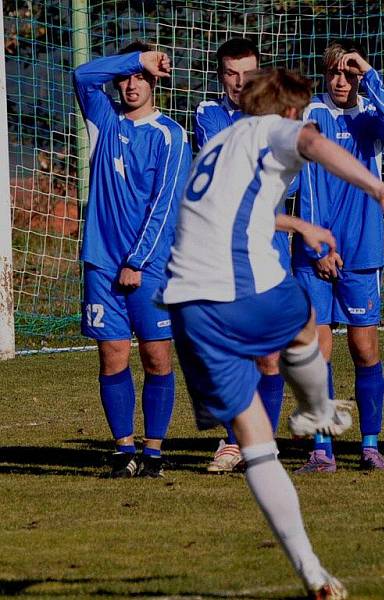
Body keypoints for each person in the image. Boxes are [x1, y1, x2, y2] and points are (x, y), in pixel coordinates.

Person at [160, 67, 384, 599]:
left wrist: (297, 225)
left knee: (257, 447)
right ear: (292, 110)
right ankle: (319, 409)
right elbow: (313, 142)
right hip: (238, 287)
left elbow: (231, 212)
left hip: (187, 306)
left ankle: (312, 572)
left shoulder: (218, 144)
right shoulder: (274, 128)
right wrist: (379, 186)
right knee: (302, 320)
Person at [73, 41, 191, 478]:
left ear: (155, 83)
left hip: (152, 268)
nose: (131, 85)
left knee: (157, 358)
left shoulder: (171, 135)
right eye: (125, 77)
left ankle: (154, 452)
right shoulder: (103, 121)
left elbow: (165, 207)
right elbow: (83, 76)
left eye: (140, 77)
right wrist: (136, 59)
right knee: (113, 356)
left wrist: (138, 261)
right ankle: (124, 452)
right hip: (102, 264)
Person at [291, 39, 384, 473]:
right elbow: (309, 185)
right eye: (335, 72)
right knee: (316, 351)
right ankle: (323, 448)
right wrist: (318, 248)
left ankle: (371, 446)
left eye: (349, 73)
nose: (341, 81)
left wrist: (369, 73)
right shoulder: (310, 114)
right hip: (314, 254)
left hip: (362, 251)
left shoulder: (370, 117)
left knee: (364, 348)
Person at [193, 37, 288, 473]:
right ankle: (233, 442)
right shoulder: (208, 114)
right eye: (231, 74)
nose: (238, 82)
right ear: (220, 76)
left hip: (269, 250)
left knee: (268, 355)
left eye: (247, 74)